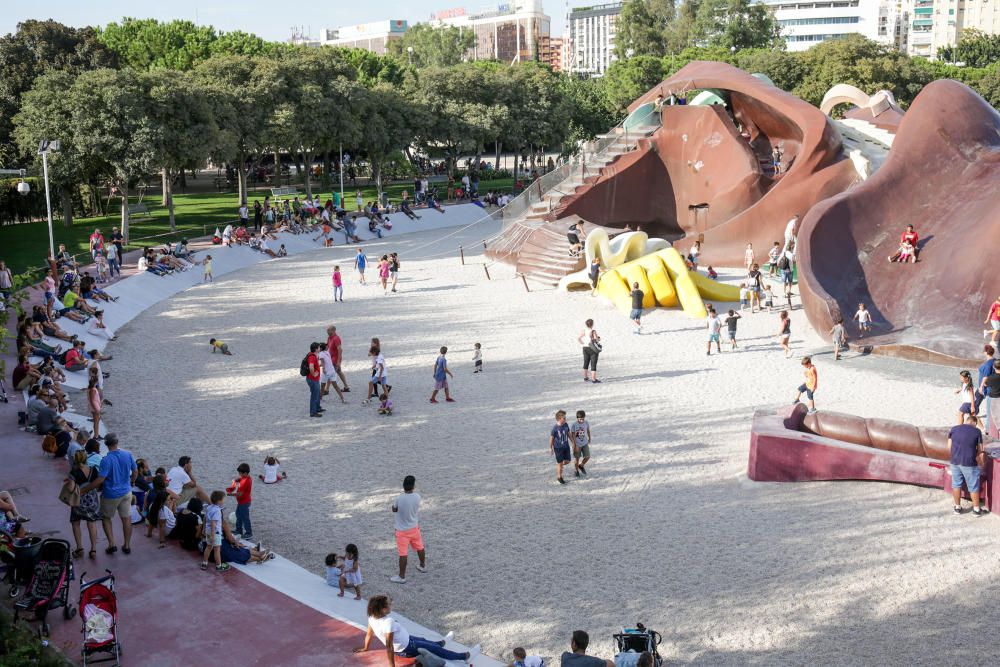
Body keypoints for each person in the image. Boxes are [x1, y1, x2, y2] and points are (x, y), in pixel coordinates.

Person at [355, 595, 477, 664]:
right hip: (407, 648)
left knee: (425, 641)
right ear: (382, 609)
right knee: (434, 649)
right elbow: (389, 646)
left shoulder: (372, 617)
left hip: (408, 640)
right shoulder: (388, 622)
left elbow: (369, 634)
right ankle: (465, 657)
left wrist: (365, 648)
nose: (391, 605)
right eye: (389, 604)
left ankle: (442, 642)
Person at [79, 433, 137, 555]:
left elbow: (100, 479)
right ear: (117, 442)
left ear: (106, 444)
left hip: (111, 494)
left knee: (106, 518)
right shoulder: (128, 454)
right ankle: (127, 545)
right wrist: (132, 482)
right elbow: (135, 471)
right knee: (126, 519)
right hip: (126, 492)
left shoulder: (106, 459)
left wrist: (84, 490)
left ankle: (112, 544)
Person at [390, 475, 426, 584]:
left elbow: (394, 509)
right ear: (413, 486)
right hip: (414, 528)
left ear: (403, 486)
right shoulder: (417, 497)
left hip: (402, 530)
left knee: (403, 553)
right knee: (420, 547)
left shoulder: (399, 498)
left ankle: (401, 576)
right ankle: (422, 566)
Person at [67, 450, 100, 560]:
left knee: (76, 523)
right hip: (92, 500)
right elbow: (97, 484)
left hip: (79, 501)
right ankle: (93, 550)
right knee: (92, 524)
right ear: (86, 459)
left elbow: (71, 489)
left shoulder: (74, 472)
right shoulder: (93, 469)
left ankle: (80, 548)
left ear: (76, 459)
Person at [948, 414, 985, 516]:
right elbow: (981, 450)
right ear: (974, 423)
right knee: (973, 486)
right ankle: (976, 510)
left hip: (955, 461)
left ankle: (957, 507)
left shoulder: (954, 429)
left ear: (966, 421)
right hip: (969, 462)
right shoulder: (977, 431)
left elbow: (949, 446)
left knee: (956, 484)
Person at [201, 490, 230, 572]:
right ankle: (219, 566)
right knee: (217, 549)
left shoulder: (209, 507)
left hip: (208, 531)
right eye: (223, 499)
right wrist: (214, 535)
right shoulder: (217, 511)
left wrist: (204, 530)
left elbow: (206, 519)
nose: (224, 501)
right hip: (215, 533)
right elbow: (214, 523)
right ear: (219, 501)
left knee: (208, 547)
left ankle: (204, 563)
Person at [226, 463, 253, 540]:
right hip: (242, 502)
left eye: (240, 473)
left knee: (245, 518)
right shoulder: (247, 478)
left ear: (245, 473)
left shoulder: (245, 482)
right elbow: (242, 479)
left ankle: (249, 533)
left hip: (244, 502)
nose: (239, 474)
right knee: (238, 515)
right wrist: (238, 479)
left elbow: (240, 494)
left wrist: (230, 494)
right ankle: (239, 530)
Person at [550, 410, 573, 485]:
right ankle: (559, 477)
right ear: (559, 419)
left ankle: (559, 465)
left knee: (568, 461)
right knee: (560, 463)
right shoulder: (555, 428)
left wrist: (573, 442)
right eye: (564, 418)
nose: (565, 419)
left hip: (566, 447)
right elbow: (551, 438)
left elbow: (568, 434)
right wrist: (551, 448)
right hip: (558, 448)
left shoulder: (566, 425)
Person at [326, 325, 350, 391]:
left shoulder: (336, 338)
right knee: (339, 372)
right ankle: (346, 386)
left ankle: (326, 389)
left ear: (333, 330)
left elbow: (340, 350)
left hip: (335, 359)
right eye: (327, 330)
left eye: (329, 330)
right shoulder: (329, 338)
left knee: (330, 373)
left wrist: (338, 361)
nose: (327, 331)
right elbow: (327, 347)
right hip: (331, 358)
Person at [578, 319, 601, 383]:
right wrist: (599, 338)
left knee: (586, 362)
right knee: (593, 363)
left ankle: (585, 377)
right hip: (592, 348)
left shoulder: (584, 330)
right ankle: (594, 379)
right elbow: (596, 340)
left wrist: (582, 343)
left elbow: (579, 338)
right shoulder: (593, 331)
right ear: (592, 324)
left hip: (585, 348)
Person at [571, 410, 591, 477]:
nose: (582, 421)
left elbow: (588, 430)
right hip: (577, 444)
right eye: (580, 419)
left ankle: (581, 465)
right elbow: (572, 434)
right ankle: (576, 471)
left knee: (587, 456)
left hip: (585, 442)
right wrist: (574, 444)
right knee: (577, 458)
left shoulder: (586, 423)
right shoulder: (574, 425)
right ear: (577, 418)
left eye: (583, 419)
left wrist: (589, 438)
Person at [305, 342, 323, 418]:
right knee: (314, 395)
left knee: (317, 393)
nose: (320, 348)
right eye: (319, 347)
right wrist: (313, 374)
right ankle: (313, 412)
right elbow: (311, 366)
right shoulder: (312, 357)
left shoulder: (313, 355)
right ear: (316, 349)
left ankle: (318, 408)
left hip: (314, 379)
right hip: (312, 379)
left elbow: (314, 365)